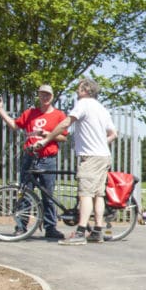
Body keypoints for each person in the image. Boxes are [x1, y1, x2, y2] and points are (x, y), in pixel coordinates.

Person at [32, 78, 117, 245]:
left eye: (79, 88)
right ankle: (97, 232)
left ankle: (80, 233)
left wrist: (47, 139)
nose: (77, 91)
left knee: (85, 194)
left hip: (91, 157)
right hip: (103, 156)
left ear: (85, 89)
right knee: (98, 194)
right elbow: (113, 133)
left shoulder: (83, 103)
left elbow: (65, 123)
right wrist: (100, 143)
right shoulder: (102, 108)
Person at [0, 85, 67, 239]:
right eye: (42, 95)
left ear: (52, 97)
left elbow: (63, 137)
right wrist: (0, 110)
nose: (45, 98)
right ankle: (21, 227)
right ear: (38, 96)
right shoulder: (30, 113)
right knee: (24, 193)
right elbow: (15, 125)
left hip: (47, 159)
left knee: (48, 195)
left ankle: (51, 228)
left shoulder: (58, 115)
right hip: (30, 157)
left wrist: (47, 134)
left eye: (47, 95)